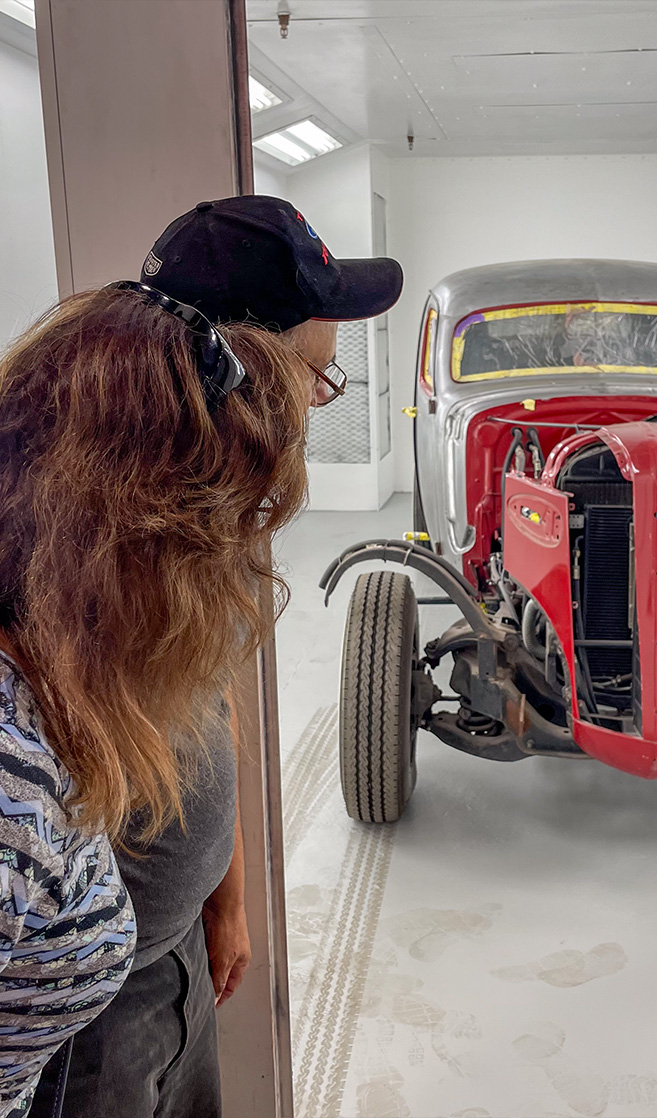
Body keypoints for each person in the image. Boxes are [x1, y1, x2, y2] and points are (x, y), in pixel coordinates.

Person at [24, 195, 403, 1118]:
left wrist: (224, 896)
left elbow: (206, 709)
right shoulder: (56, 562)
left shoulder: (201, 528)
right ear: (241, 376)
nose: (318, 404)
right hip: (90, 1016)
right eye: (318, 378)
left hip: (177, 951)